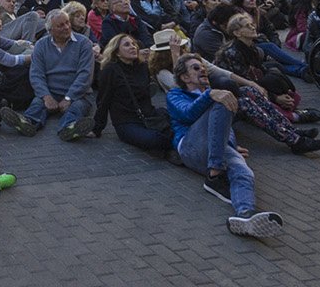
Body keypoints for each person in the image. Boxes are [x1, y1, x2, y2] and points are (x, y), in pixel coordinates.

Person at [166, 55, 284, 238]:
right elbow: (187, 114)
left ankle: (245, 215)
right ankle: (215, 174)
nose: (203, 70)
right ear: (185, 77)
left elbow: (225, 128)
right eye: (196, 67)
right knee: (223, 100)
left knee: (244, 173)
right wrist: (209, 95)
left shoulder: (215, 95)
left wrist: (229, 145)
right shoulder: (175, 95)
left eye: (203, 67)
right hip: (190, 147)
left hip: (216, 150)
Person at [0, 10, 96, 141]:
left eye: (67, 23)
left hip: (78, 94)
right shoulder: (41, 45)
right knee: (37, 105)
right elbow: (36, 74)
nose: (67, 27)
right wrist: (46, 96)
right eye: (60, 25)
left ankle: (69, 127)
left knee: (76, 109)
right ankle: (27, 122)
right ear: (50, 30)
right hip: (51, 92)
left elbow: (85, 75)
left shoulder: (83, 43)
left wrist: (69, 98)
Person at [93, 33, 173, 155]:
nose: (133, 47)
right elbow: (103, 100)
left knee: (175, 124)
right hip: (127, 122)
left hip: (149, 116)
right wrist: (97, 128)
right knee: (154, 139)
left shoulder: (142, 67)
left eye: (133, 44)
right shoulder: (110, 71)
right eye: (127, 45)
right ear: (117, 52)